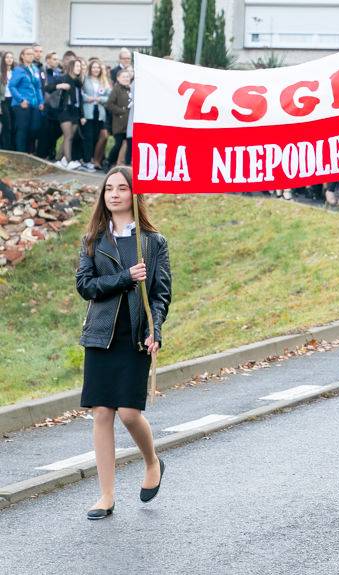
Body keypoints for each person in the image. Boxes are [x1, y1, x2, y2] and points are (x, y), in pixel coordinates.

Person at [75, 166, 172, 519]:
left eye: (122, 188)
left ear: (134, 194)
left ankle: (151, 462)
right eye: (109, 189)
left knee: (130, 413)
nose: (114, 194)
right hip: (100, 336)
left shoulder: (153, 241)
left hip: (135, 336)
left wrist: (155, 331)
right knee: (102, 412)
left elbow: (161, 295)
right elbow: (85, 286)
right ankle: (106, 496)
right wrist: (124, 277)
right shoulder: (93, 239)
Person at [47, 58, 86, 169]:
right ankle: (69, 161)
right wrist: (59, 86)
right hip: (65, 110)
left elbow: (80, 99)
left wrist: (82, 115)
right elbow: (48, 88)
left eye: (80, 66)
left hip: (75, 111)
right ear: (71, 67)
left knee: (70, 137)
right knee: (68, 136)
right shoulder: (63, 78)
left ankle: (61, 160)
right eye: (77, 66)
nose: (79, 68)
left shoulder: (78, 82)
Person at [7, 47, 44, 153]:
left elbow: (38, 87)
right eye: (28, 54)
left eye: (32, 54)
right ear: (22, 56)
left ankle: (29, 152)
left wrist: (41, 101)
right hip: (21, 105)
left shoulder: (35, 69)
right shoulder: (18, 70)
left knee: (35, 128)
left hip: (35, 104)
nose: (31, 56)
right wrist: (21, 100)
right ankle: (21, 155)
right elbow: (12, 86)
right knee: (22, 130)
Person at [82, 59, 112, 171]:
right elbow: (81, 93)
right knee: (88, 137)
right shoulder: (85, 80)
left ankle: (94, 160)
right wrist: (87, 98)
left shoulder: (103, 82)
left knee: (96, 136)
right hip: (88, 111)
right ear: (90, 68)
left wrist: (100, 99)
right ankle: (87, 160)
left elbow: (110, 97)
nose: (96, 69)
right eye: (94, 67)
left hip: (99, 112)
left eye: (98, 68)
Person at [106, 69, 132, 167]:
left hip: (129, 124)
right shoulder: (116, 89)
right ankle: (108, 161)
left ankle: (125, 164)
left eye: (127, 76)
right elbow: (109, 104)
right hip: (119, 123)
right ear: (118, 78)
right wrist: (122, 111)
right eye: (124, 77)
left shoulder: (131, 89)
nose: (126, 79)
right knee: (118, 144)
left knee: (129, 145)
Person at [0, 51, 14, 151]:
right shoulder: (1, 73)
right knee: (7, 125)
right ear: (3, 60)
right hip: (3, 101)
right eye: (7, 57)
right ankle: (6, 148)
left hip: (13, 101)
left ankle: (8, 147)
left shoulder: (15, 72)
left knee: (13, 125)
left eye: (11, 57)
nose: (9, 59)